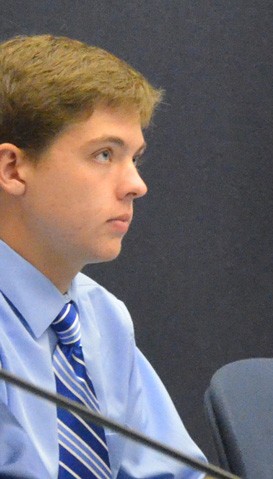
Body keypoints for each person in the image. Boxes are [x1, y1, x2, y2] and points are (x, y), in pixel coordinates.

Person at [0, 34, 207, 477]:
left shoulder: (99, 317)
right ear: (13, 169)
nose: (135, 184)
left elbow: (172, 472)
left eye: (135, 157)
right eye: (104, 154)